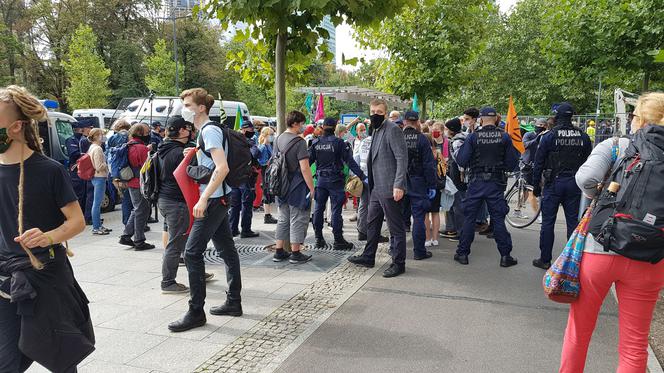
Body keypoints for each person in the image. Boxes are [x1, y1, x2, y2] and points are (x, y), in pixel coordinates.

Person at [560, 92, 664, 373]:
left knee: (578, 332)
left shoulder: (616, 145)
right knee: (634, 343)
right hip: (651, 255)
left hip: (602, 246)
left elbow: (586, 178)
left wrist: (602, 199)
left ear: (638, 118)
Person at [0, 85, 93, 373]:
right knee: (6, 363)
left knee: (62, 358)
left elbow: (77, 221)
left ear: (15, 126)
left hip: (47, 274)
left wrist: (48, 236)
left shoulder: (49, 170)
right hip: (5, 278)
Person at [168, 88, 243, 332]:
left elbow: (221, 169)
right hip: (220, 199)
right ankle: (233, 302)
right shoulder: (209, 131)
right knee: (227, 250)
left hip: (212, 201)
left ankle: (196, 311)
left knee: (191, 254)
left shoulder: (209, 131)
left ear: (201, 108)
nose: (184, 110)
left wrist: (203, 199)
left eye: (188, 105)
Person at [348, 98, 408, 278]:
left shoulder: (393, 130)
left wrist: (398, 184)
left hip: (389, 186)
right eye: (372, 111)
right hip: (375, 186)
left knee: (395, 227)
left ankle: (399, 263)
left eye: (379, 112)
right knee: (372, 223)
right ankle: (368, 256)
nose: (375, 114)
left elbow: (401, 158)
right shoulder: (376, 129)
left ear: (386, 112)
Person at [454, 106, 519, 267]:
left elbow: (461, 160)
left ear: (481, 119)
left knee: (469, 218)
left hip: (476, 182)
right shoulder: (504, 137)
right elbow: (512, 164)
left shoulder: (473, 137)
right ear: (496, 119)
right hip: (495, 183)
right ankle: (505, 256)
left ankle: (463, 254)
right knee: (497, 219)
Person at [531, 103, 592, 269]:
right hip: (575, 184)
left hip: (553, 183)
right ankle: (573, 262)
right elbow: (589, 164)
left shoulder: (549, 136)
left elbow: (538, 163)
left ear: (557, 117)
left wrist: (535, 185)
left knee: (548, 222)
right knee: (573, 222)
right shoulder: (583, 136)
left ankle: (545, 259)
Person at [310, 117, 365, 250]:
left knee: (318, 209)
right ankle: (338, 240)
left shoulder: (315, 142)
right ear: (335, 127)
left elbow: (308, 162)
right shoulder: (339, 143)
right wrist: (363, 176)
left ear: (323, 127)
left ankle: (318, 239)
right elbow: (350, 162)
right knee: (335, 211)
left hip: (321, 180)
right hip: (335, 181)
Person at [271, 111, 315, 264]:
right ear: (295, 123)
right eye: (302, 123)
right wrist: (311, 187)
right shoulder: (299, 142)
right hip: (297, 186)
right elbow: (305, 168)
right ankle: (296, 253)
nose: (303, 126)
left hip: (280, 185)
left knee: (283, 218)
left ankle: (279, 251)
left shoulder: (278, 139)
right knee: (298, 218)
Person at [156, 116, 194, 294]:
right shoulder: (179, 153)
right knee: (176, 243)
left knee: (181, 240)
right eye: (186, 128)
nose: (189, 130)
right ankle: (168, 282)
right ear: (181, 131)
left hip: (165, 199)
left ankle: (196, 271)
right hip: (176, 202)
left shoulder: (163, 148)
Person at [402, 111, 436, 260]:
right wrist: (432, 185)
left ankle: (394, 249)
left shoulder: (397, 137)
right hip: (418, 182)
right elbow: (429, 165)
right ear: (417, 123)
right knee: (418, 218)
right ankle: (419, 251)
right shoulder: (422, 139)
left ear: (404, 122)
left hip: (399, 183)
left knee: (397, 219)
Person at [118, 123, 155, 251]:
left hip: (131, 181)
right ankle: (139, 240)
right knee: (141, 211)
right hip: (140, 183)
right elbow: (146, 168)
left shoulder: (128, 145)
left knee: (137, 209)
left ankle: (126, 235)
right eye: (146, 132)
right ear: (140, 133)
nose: (148, 134)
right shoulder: (141, 148)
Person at [229, 120, 260, 238]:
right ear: (244, 129)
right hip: (245, 177)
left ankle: (233, 229)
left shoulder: (232, 141)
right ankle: (246, 230)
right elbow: (255, 153)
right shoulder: (248, 142)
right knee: (246, 204)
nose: (252, 132)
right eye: (251, 130)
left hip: (233, 177)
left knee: (234, 204)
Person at [66, 119, 95, 225]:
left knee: (88, 194)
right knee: (79, 194)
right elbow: (73, 154)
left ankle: (87, 217)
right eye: (89, 128)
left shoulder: (87, 140)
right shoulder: (71, 140)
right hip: (76, 170)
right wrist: (88, 154)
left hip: (87, 169)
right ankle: (78, 218)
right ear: (82, 129)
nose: (90, 130)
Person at [441, 118, 466, 241]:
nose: (445, 131)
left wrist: (461, 172)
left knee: (457, 204)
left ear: (451, 130)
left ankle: (460, 232)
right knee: (454, 203)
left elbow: (459, 159)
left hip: (457, 176)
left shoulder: (457, 142)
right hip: (456, 175)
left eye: (446, 128)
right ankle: (452, 229)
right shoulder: (461, 138)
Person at [425, 122, 447, 246]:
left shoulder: (423, 154)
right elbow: (444, 170)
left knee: (425, 214)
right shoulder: (438, 154)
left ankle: (427, 238)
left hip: (425, 186)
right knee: (435, 212)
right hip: (437, 186)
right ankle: (435, 238)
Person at [107, 119, 133, 225]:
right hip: (128, 169)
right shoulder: (130, 136)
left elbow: (108, 155)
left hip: (115, 170)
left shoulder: (112, 138)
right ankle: (130, 222)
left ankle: (126, 221)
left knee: (124, 197)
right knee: (131, 198)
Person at [87, 128, 111, 235]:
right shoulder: (97, 149)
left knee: (96, 203)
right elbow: (98, 166)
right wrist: (107, 163)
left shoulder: (92, 147)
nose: (103, 136)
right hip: (99, 177)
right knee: (97, 203)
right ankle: (96, 227)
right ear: (96, 136)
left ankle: (98, 226)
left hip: (95, 177)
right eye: (101, 134)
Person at [257, 126, 278, 224]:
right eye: (271, 134)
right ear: (266, 135)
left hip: (268, 171)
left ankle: (268, 214)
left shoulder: (268, 145)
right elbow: (262, 162)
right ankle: (267, 215)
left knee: (268, 193)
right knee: (266, 193)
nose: (273, 136)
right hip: (265, 172)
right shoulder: (263, 147)